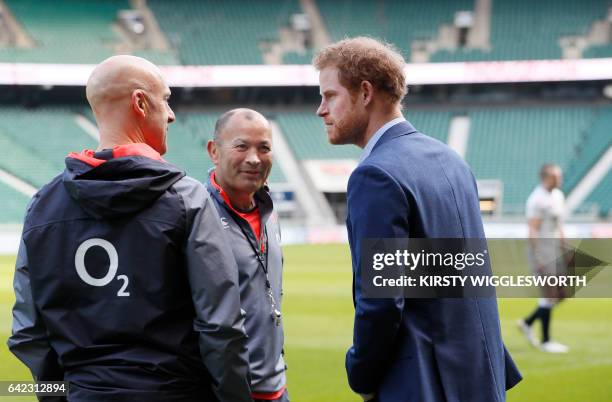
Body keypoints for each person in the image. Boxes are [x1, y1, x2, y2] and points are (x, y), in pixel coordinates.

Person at [7, 55, 252, 402]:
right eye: (165, 99)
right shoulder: (187, 198)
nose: (171, 114)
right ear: (140, 102)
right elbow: (221, 327)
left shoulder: (42, 205)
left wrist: (63, 394)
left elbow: (29, 331)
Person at [314, 37, 522, 402]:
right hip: (479, 377)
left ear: (365, 92)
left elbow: (381, 302)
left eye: (329, 96)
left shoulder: (375, 175)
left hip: (423, 383)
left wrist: (361, 374)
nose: (321, 109)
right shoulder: (452, 161)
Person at [206, 108, 288, 402]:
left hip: (276, 387)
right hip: (226, 393)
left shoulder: (269, 209)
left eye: (264, 148)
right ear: (214, 151)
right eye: (241, 146)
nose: (254, 158)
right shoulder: (196, 215)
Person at [518, 164, 570, 353]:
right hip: (542, 252)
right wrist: (539, 257)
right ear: (547, 177)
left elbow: (559, 225)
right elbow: (533, 229)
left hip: (556, 250)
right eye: (557, 176)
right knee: (550, 294)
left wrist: (565, 247)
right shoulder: (537, 199)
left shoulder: (558, 196)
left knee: (561, 294)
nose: (560, 179)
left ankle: (527, 322)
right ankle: (546, 341)